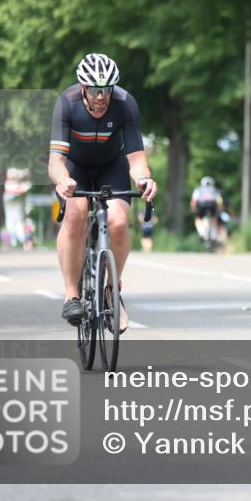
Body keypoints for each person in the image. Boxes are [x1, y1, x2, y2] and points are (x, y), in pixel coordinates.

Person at [49, 53, 158, 331]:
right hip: (75, 167)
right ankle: (71, 293)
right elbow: (56, 161)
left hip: (112, 166)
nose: (101, 96)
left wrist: (144, 179)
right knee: (75, 215)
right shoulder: (67, 103)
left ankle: (112, 290)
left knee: (119, 222)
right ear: (83, 88)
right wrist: (63, 180)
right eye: (95, 90)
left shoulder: (125, 104)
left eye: (107, 89)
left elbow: (135, 158)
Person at [191, 176, 225, 245]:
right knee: (215, 219)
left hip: (202, 205)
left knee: (197, 219)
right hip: (213, 205)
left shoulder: (198, 190)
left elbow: (194, 201)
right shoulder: (215, 190)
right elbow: (220, 201)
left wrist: (193, 209)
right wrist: (220, 209)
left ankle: (202, 233)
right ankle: (213, 236)